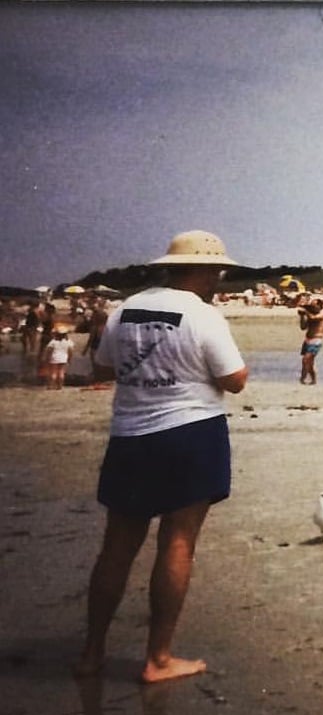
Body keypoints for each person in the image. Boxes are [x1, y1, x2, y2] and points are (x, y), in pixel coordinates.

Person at [74, 230, 248, 683]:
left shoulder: (124, 309)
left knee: (117, 545)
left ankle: (92, 652)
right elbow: (235, 379)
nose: (220, 277)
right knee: (178, 540)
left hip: (130, 434)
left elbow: (104, 368)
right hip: (190, 432)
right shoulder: (204, 315)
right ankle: (159, 658)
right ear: (205, 270)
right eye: (217, 270)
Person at [298, 299, 323, 384]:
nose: (312, 307)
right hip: (307, 340)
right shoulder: (310, 315)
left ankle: (302, 379)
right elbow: (303, 327)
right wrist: (302, 317)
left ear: (319, 306)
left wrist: (305, 311)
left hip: (316, 340)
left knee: (305, 359)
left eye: (314, 305)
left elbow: (313, 318)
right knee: (309, 363)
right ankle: (313, 380)